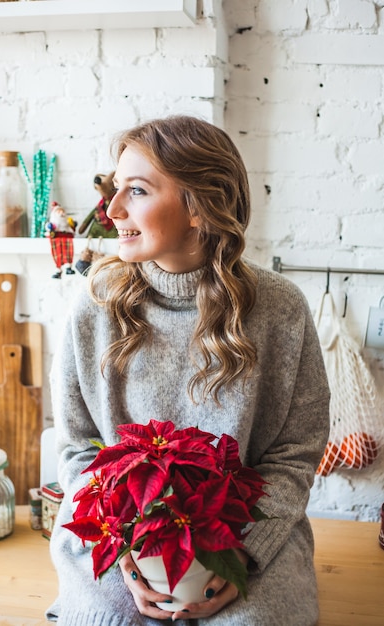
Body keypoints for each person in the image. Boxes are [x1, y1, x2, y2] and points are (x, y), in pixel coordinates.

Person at [46, 115, 330, 626]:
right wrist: (129, 557)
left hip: (249, 531)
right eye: (115, 189)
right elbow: (76, 449)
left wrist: (244, 552)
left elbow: (295, 454)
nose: (110, 211)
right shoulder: (92, 306)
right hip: (116, 532)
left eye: (135, 191)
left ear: (200, 206)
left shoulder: (280, 309)